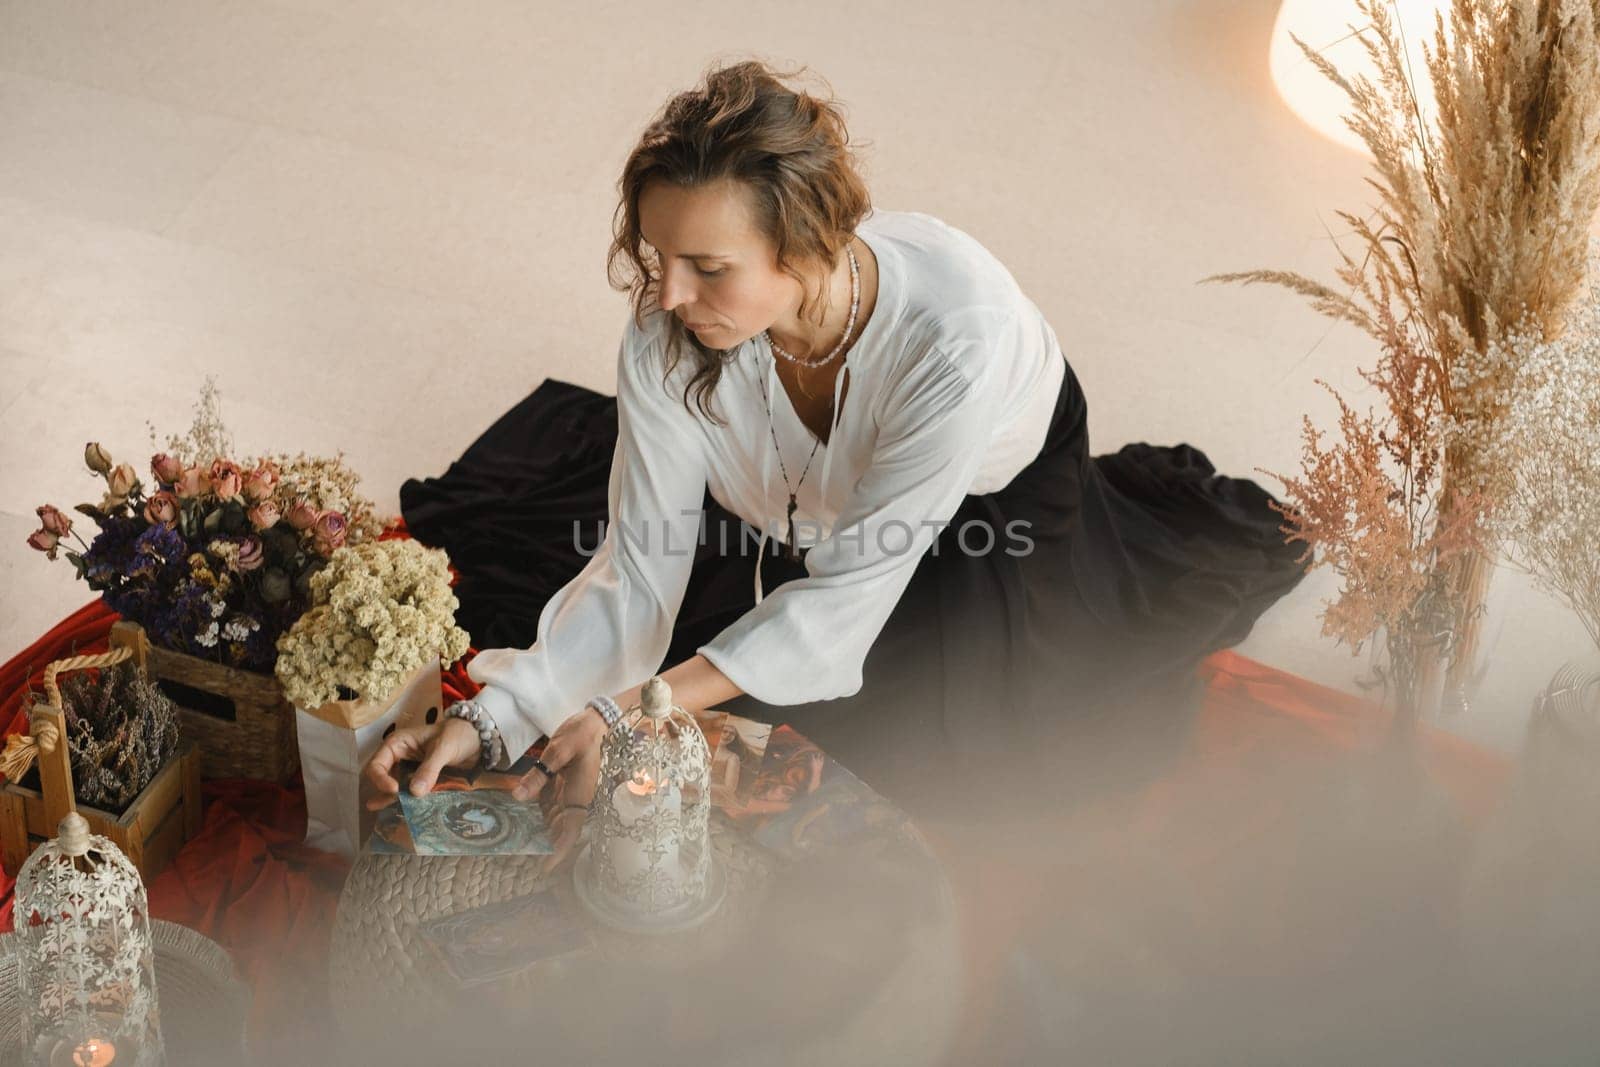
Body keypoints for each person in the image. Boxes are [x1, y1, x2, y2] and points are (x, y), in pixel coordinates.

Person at [365, 58, 1309, 867]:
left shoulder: (955, 340)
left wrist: (623, 714)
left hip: (999, 489)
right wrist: (498, 715)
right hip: (807, 505)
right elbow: (637, 566)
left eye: (707, 266)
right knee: (710, 660)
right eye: (657, 256)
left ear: (807, 244)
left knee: (974, 751)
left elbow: (839, 608)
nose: (665, 294)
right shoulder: (670, 327)